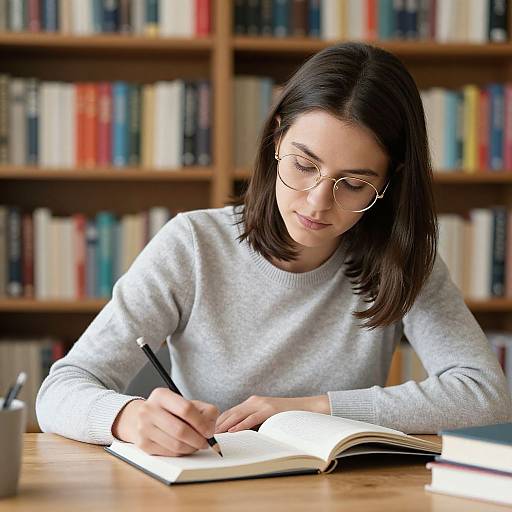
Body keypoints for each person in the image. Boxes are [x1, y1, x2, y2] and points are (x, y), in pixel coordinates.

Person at [36, 42, 512, 457]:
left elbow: (485, 395)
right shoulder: (194, 245)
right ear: (277, 138)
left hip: (344, 493)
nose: (317, 202)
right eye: (304, 165)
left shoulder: (401, 256)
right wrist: (127, 417)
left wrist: (314, 409)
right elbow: (61, 388)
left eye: (354, 183)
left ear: (390, 182)